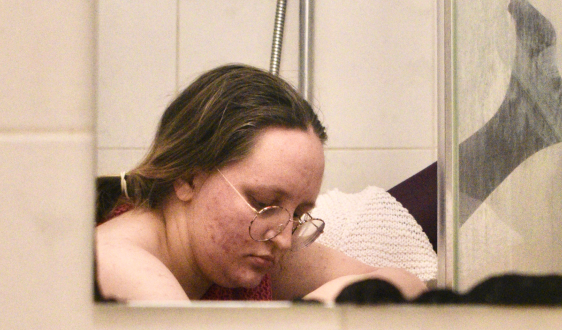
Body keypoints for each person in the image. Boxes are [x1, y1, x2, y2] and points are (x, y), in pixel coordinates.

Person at [95, 64, 426, 303]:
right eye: (264, 202)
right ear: (189, 177)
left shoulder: (251, 252)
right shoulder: (118, 262)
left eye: (298, 216)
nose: (283, 239)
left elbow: (407, 284)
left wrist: (321, 306)